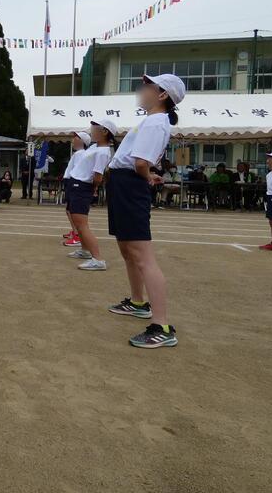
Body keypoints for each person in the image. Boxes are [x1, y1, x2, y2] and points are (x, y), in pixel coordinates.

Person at [106, 73, 185, 348]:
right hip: (123, 183)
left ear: (162, 95)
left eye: (148, 86)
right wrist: (148, 175)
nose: (142, 89)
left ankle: (162, 326)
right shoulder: (152, 120)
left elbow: (141, 162)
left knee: (142, 255)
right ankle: (138, 302)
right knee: (128, 250)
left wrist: (146, 175)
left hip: (129, 184)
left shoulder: (155, 122)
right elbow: (142, 164)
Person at [66, 120, 115, 270]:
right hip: (77, 184)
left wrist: (92, 188)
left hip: (82, 186)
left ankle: (98, 259)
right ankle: (85, 251)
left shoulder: (103, 152)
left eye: (94, 129)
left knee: (81, 224)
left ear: (104, 132)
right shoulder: (95, 147)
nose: (91, 131)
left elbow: (98, 176)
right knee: (78, 222)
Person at [61, 132, 91, 247]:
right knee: (69, 209)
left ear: (82, 141)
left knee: (71, 210)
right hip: (71, 181)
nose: (73, 140)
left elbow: (78, 170)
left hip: (72, 182)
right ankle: (75, 232)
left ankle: (77, 234)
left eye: (76, 138)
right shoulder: (79, 153)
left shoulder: (80, 154)